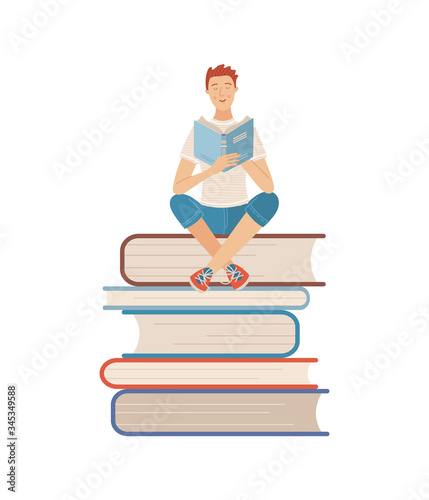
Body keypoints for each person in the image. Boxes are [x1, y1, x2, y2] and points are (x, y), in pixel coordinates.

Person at [170, 64, 279, 292]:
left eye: (227, 86)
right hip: (207, 216)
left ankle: (207, 272)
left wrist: (245, 157)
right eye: (215, 87)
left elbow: (268, 187)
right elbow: (178, 188)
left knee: (270, 200)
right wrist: (211, 170)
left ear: (236, 89)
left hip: (242, 216)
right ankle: (230, 269)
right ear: (207, 92)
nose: (221, 93)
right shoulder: (199, 132)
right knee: (178, 202)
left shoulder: (247, 131)